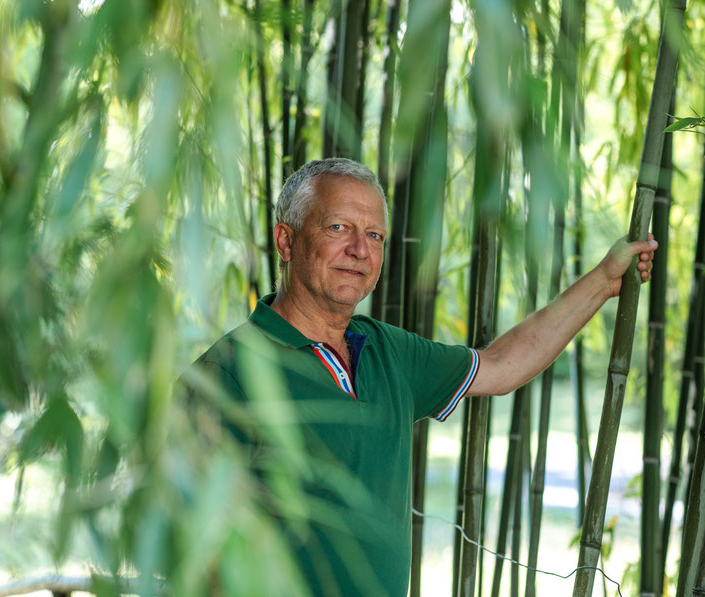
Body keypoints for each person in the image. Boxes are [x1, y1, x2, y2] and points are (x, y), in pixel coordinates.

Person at [180, 158, 656, 596]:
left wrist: (604, 280)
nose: (358, 250)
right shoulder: (227, 374)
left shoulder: (388, 351)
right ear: (287, 241)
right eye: (338, 227)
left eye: (375, 236)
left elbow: (501, 366)